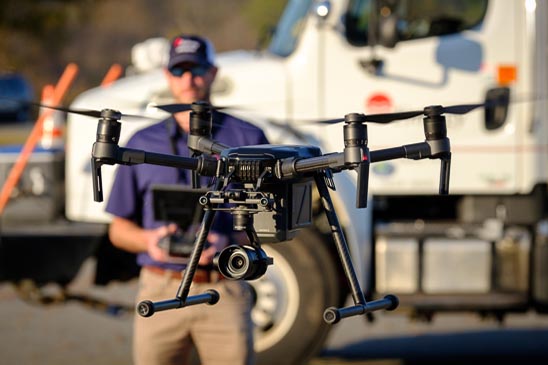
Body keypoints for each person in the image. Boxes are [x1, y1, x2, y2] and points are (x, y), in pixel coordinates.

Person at [106, 34, 269, 365]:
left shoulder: (248, 139)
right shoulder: (142, 142)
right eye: (179, 71)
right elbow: (118, 230)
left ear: (213, 73)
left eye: (197, 69)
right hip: (160, 285)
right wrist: (149, 241)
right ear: (167, 77)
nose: (189, 80)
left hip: (223, 287)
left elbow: (269, 221)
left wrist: (228, 241)